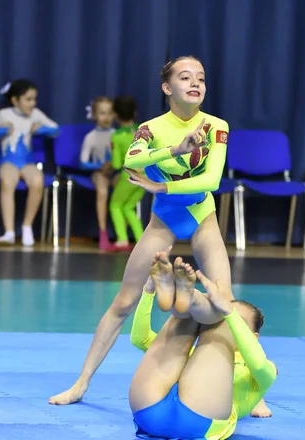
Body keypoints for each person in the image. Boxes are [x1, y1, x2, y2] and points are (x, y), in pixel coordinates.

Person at [49, 56, 233, 406]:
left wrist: (161, 188)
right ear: (167, 88)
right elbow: (131, 160)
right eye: (185, 77)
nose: (195, 83)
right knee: (122, 302)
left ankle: (251, 387)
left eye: (201, 78)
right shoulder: (150, 128)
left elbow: (211, 180)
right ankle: (81, 383)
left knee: (226, 300)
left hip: (201, 215)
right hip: (163, 221)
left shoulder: (216, 126)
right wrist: (176, 150)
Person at [128, 253, 277, 440]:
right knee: (188, 315)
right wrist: (149, 291)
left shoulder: (262, 371)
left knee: (219, 320)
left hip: (199, 418)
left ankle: (192, 300)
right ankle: (185, 299)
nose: (227, 316)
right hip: (150, 409)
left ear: (254, 338)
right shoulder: (195, 357)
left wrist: (227, 313)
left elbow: (259, 363)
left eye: (238, 320)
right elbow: (140, 339)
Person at [0, 79, 59, 246]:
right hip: (8, 161)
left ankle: (27, 226)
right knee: (8, 181)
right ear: (14, 100)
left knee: (37, 180)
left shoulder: (36, 114)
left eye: (34, 99)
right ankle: (9, 231)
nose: (32, 103)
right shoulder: (3, 115)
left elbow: (56, 130)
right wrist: (2, 130)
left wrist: (42, 129)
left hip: (27, 162)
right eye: (28, 99)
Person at [106, 95, 146, 252]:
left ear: (115, 115)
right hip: (146, 177)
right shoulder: (141, 131)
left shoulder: (116, 136)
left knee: (115, 205)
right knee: (128, 207)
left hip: (129, 176)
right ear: (134, 112)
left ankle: (122, 239)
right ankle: (141, 240)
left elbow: (116, 164)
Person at [80, 96, 116, 251]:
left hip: (116, 172)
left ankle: (122, 234)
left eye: (109, 113)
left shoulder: (117, 134)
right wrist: (100, 166)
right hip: (99, 173)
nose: (106, 117)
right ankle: (103, 232)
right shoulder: (91, 137)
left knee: (128, 185)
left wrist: (115, 166)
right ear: (94, 115)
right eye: (102, 113)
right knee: (102, 192)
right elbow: (82, 162)